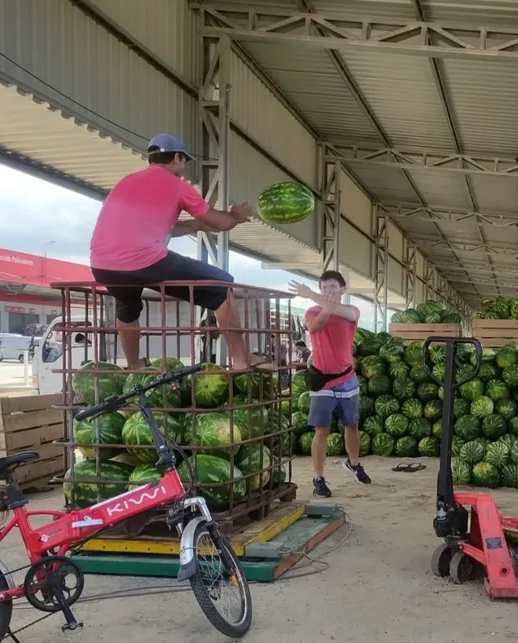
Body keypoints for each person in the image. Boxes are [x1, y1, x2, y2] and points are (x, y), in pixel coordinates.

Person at [88, 133, 271, 372]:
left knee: (127, 307)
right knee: (221, 285)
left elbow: (161, 230)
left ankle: (134, 366)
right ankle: (242, 360)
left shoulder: (127, 182)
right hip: (144, 261)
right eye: (184, 162)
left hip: (103, 266)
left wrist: (194, 225)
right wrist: (235, 215)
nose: (183, 169)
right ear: (176, 158)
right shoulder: (178, 186)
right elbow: (221, 223)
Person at [290, 272, 371, 497]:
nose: (328, 292)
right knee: (322, 430)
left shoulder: (351, 312)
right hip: (322, 381)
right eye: (324, 288)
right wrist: (323, 304)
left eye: (333, 287)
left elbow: (342, 311)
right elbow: (315, 327)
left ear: (343, 290)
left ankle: (354, 463)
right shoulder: (312, 312)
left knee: (351, 425)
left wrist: (311, 294)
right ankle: (319, 478)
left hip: (347, 379)